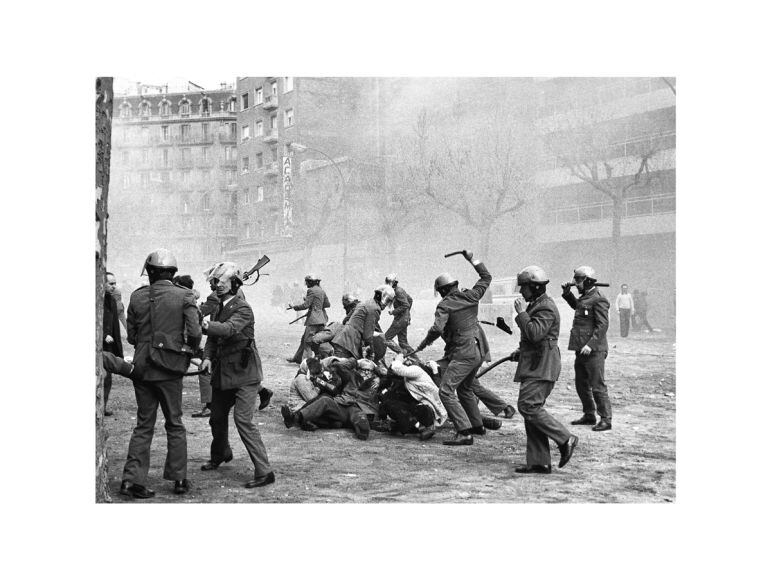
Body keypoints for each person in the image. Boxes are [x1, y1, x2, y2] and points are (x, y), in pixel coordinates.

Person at [120, 249, 201, 499]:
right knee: (174, 423)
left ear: (150, 272)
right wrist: (187, 351)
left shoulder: (137, 297)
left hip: (142, 368)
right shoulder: (184, 295)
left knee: (143, 425)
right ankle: (178, 479)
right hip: (170, 368)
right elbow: (195, 333)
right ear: (173, 272)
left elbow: (132, 336)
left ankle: (130, 481)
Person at [199, 262, 275, 489]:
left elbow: (227, 329)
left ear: (235, 284)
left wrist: (202, 323)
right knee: (216, 417)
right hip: (225, 372)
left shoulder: (243, 308)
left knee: (243, 420)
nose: (217, 286)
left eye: (221, 282)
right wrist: (206, 358)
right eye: (215, 283)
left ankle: (265, 471)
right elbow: (213, 338)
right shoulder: (220, 306)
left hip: (245, 374)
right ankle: (221, 453)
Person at [414, 249, 490, 446]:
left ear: (443, 291)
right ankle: (477, 425)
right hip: (478, 350)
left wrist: (423, 344)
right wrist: (472, 259)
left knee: (446, 391)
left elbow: (437, 329)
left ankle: (464, 432)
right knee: (465, 388)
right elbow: (486, 276)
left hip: (463, 353)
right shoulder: (472, 295)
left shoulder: (445, 305)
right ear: (455, 285)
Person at [511, 266, 577, 474]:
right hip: (535, 363)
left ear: (535, 286)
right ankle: (539, 462)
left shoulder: (545, 307)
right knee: (532, 410)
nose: (521, 292)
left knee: (528, 406)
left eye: (524, 287)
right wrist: (521, 351)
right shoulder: (538, 305)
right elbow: (534, 337)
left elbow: (536, 333)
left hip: (542, 365)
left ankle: (565, 438)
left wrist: (521, 314)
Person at [562, 265, 613, 432]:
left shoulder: (599, 298)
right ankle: (589, 414)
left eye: (578, 280)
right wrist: (567, 294)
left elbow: (602, 325)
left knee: (597, 385)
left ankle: (605, 419)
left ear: (588, 281)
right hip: (581, 348)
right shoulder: (586, 297)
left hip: (594, 350)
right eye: (575, 280)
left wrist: (590, 345)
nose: (576, 283)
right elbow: (578, 307)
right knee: (581, 384)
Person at [381, 353, 447, 440]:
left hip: (427, 411)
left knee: (395, 405)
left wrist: (398, 359)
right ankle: (416, 426)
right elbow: (392, 373)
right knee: (389, 401)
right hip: (419, 411)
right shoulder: (406, 379)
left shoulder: (417, 370)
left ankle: (419, 427)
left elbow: (397, 368)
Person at [331, 286, 394, 360]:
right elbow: (367, 335)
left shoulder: (365, 303)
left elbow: (346, 320)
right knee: (342, 368)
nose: (386, 304)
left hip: (343, 339)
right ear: (380, 296)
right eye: (387, 300)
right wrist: (372, 352)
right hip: (349, 344)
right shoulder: (374, 309)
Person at [287, 274, 331, 364]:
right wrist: (316, 305)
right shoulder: (321, 290)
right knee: (307, 339)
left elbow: (305, 305)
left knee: (307, 342)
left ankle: (306, 363)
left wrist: (294, 307)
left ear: (310, 282)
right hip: (322, 319)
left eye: (307, 282)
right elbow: (327, 304)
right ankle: (298, 358)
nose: (306, 284)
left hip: (313, 321)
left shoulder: (310, 290)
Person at [103, 272, 124, 416]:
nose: (114, 286)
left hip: (109, 346)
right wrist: (103, 335)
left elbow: (115, 325)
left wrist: (119, 351)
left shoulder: (111, 299)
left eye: (115, 283)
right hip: (100, 344)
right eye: (111, 284)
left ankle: (102, 407)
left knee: (107, 377)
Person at [383, 274, 414, 355]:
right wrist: (407, 314)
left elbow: (406, 305)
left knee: (386, 339)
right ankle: (415, 358)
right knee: (403, 342)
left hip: (400, 320)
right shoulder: (399, 290)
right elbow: (410, 300)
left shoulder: (398, 291)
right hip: (403, 319)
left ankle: (402, 354)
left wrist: (393, 312)